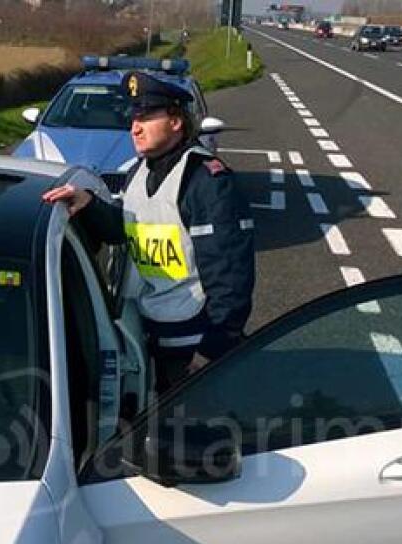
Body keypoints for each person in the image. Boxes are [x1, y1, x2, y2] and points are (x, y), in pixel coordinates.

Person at [42, 70, 255, 391]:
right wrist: (87, 204)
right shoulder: (139, 172)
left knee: (192, 438)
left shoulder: (206, 180)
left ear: (176, 122)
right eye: (133, 118)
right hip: (149, 335)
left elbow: (230, 274)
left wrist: (210, 354)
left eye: (146, 117)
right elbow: (128, 230)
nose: (135, 127)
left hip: (192, 348)